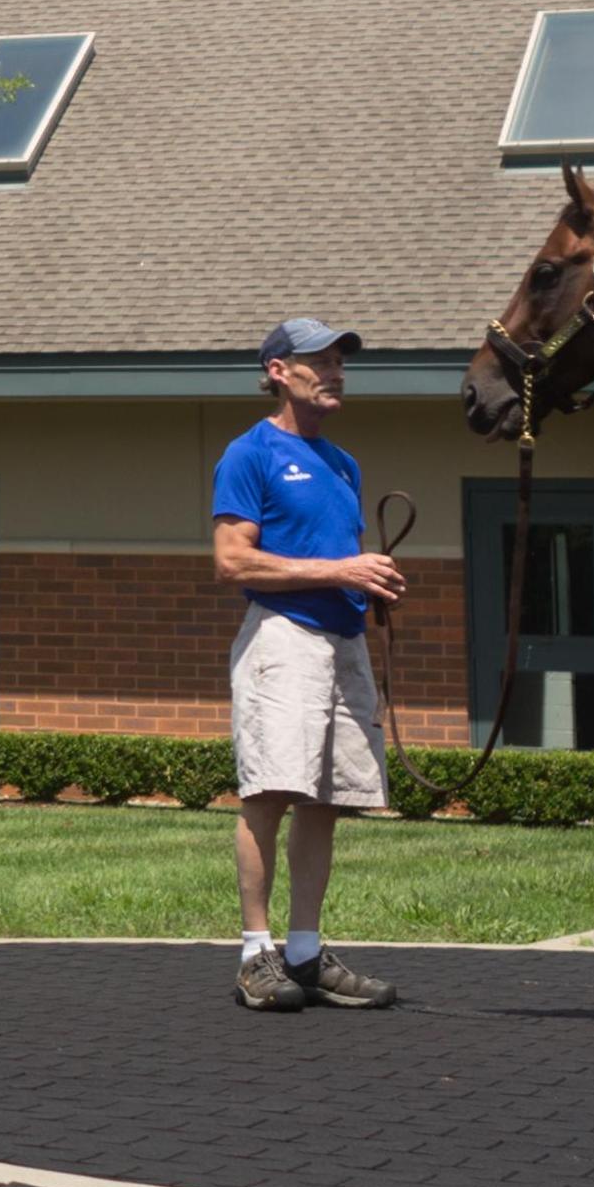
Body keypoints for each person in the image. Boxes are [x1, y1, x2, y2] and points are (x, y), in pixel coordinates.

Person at [212, 314, 404, 1013]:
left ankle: (304, 950)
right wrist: (338, 569)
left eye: (340, 363)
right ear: (277, 371)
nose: (334, 373)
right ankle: (254, 953)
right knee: (269, 792)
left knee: (326, 798)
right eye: (318, 361)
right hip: (282, 640)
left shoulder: (344, 463)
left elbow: (335, 562)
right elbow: (232, 559)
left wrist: (368, 582)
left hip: (342, 642)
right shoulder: (249, 454)